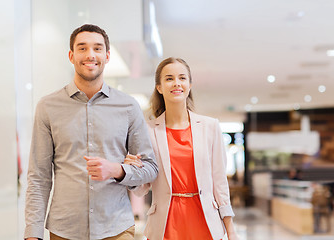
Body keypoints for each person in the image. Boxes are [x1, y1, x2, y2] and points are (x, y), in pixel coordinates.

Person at [24, 24, 158, 240]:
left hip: (116, 228)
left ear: (107, 56)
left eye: (97, 48)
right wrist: (33, 233)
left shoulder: (128, 106)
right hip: (64, 230)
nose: (90, 55)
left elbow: (151, 168)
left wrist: (117, 170)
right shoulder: (47, 107)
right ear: (71, 55)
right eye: (82, 48)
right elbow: (39, 177)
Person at [125, 57, 239, 240]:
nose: (176, 83)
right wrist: (132, 171)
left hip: (204, 221)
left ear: (190, 84)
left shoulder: (210, 127)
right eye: (169, 78)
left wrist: (231, 230)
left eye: (182, 78)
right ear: (159, 87)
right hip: (165, 224)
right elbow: (141, 189)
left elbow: (219, 183)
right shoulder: (148, 131)